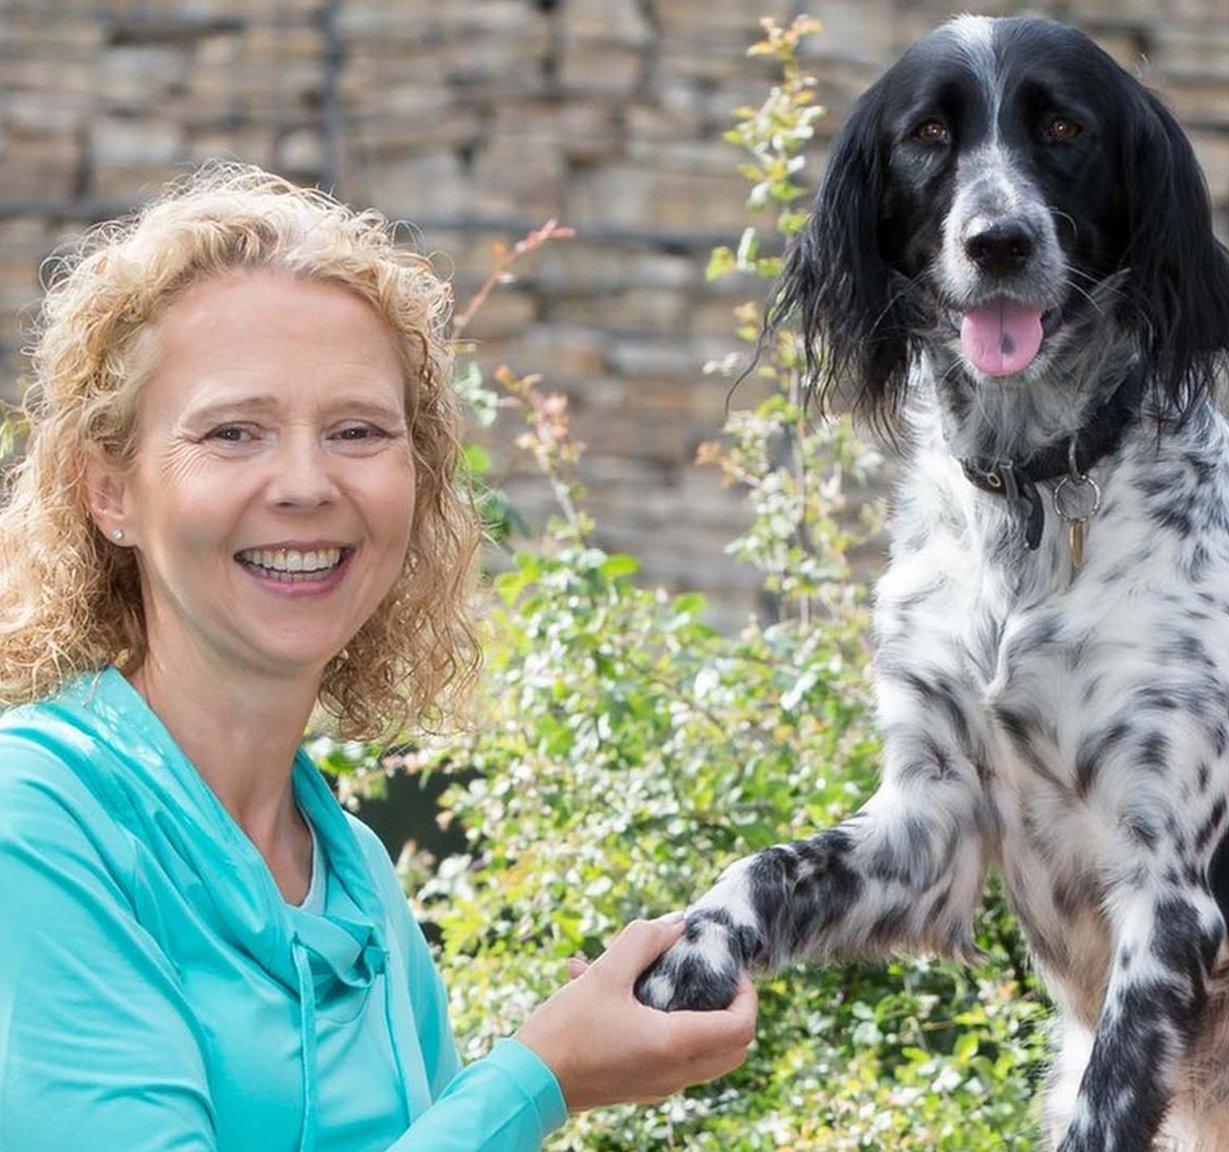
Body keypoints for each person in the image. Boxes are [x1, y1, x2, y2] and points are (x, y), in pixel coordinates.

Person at [0, 163, 755, 1150]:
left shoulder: (354, 875)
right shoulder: (38, 821)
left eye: (358, 431)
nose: (307, 484)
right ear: (110, 493)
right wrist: (541, 1078)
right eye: (234, 432)